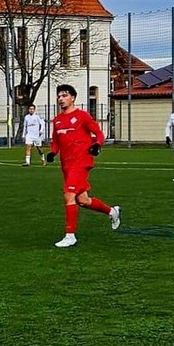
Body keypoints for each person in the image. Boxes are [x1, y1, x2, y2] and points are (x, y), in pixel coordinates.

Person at [47, 84, 120, 248]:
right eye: (59, 96)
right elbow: (55, 141)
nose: (61, 99)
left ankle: (70, 235)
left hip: (81, 161)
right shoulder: (57, 120)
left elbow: (98, 133)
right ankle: (112, 211)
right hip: (66, 164)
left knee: (69, 195)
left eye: (64, 95)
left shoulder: (82, 116)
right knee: (83, 200)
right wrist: (53, 152)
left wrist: (97, 144)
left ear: (72, 98)